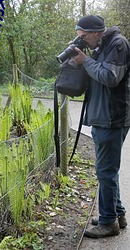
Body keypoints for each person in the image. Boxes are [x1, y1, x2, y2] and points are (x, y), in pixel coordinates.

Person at [72, 15, 130, 238]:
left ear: (96, 32)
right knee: (107, 171)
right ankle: (117, 214)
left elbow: (109, 77)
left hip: (112, 118)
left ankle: (108, 223)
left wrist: (85, 61)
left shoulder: (118, 44)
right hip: (102, 117)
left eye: (84, 37)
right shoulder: (101, 46)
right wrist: (82, 60)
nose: (83, 41)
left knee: (105, 171)